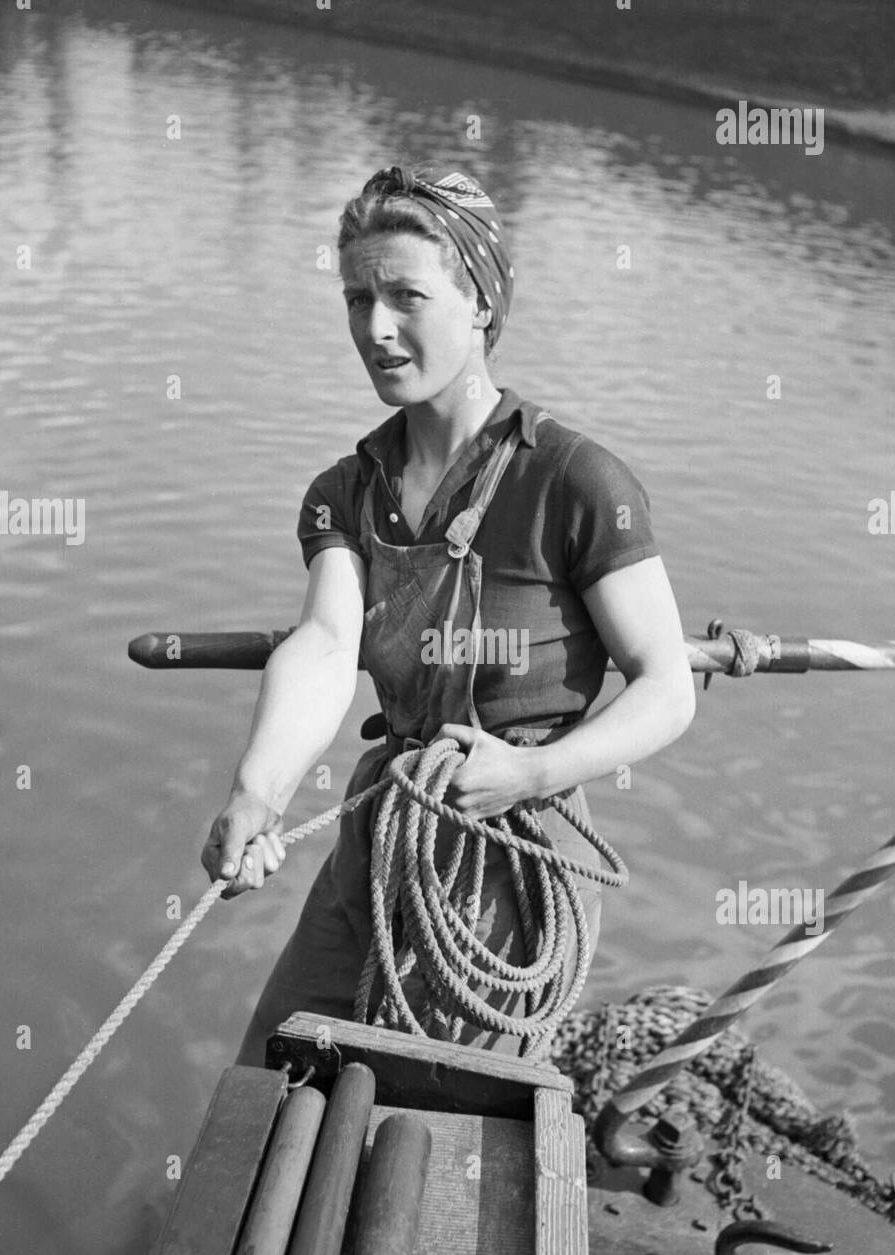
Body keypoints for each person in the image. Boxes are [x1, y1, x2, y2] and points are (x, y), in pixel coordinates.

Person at [201, 165, 695, 1065]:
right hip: (382, 827)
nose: (375, 328)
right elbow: (323, 644)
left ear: (479, 304)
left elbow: (665, 687)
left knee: (424, 1121)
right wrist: (257, 795)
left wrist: (533, 774)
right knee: (276, 1073)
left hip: (509, 860)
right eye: (357, 298)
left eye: (405, 296)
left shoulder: (577, 482)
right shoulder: (344, 490)